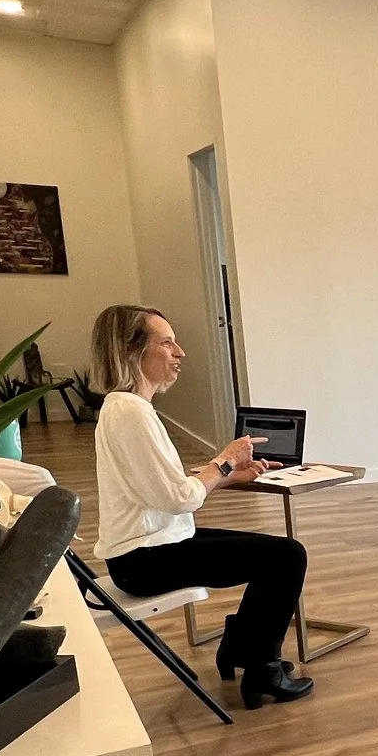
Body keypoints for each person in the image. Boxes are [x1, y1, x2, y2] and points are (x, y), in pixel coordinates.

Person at [90, 304, 315, 709]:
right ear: (131, 351)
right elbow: (179, 497)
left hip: (148, 548)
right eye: (166, 342)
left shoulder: (124, 409)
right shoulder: (130, 413)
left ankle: (239, 650)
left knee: (274, 555)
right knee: (285, 557)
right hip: (145, 557)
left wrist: (229, 475)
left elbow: (162, 487)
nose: (179, 353)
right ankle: (261, 667)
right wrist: (224, 461)